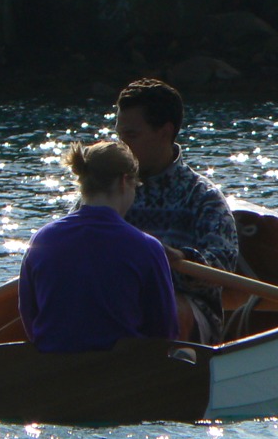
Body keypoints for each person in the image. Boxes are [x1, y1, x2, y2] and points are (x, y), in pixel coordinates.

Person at [18, 140, 179, 353]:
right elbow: (164, 331)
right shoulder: (147, 248)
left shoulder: (41, 240)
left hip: (55, 372)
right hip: (121, 374)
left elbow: (29, 316)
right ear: (124, 181)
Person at [114, 78, 239, 344]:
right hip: (115, 303)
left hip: (187, 318)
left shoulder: (202, 196)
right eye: (119, 135)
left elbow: (223, 268)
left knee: (161, 303)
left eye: (131, 136)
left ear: (165, 132)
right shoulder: (107, 190)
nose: (121, 146)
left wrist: (176, 259)